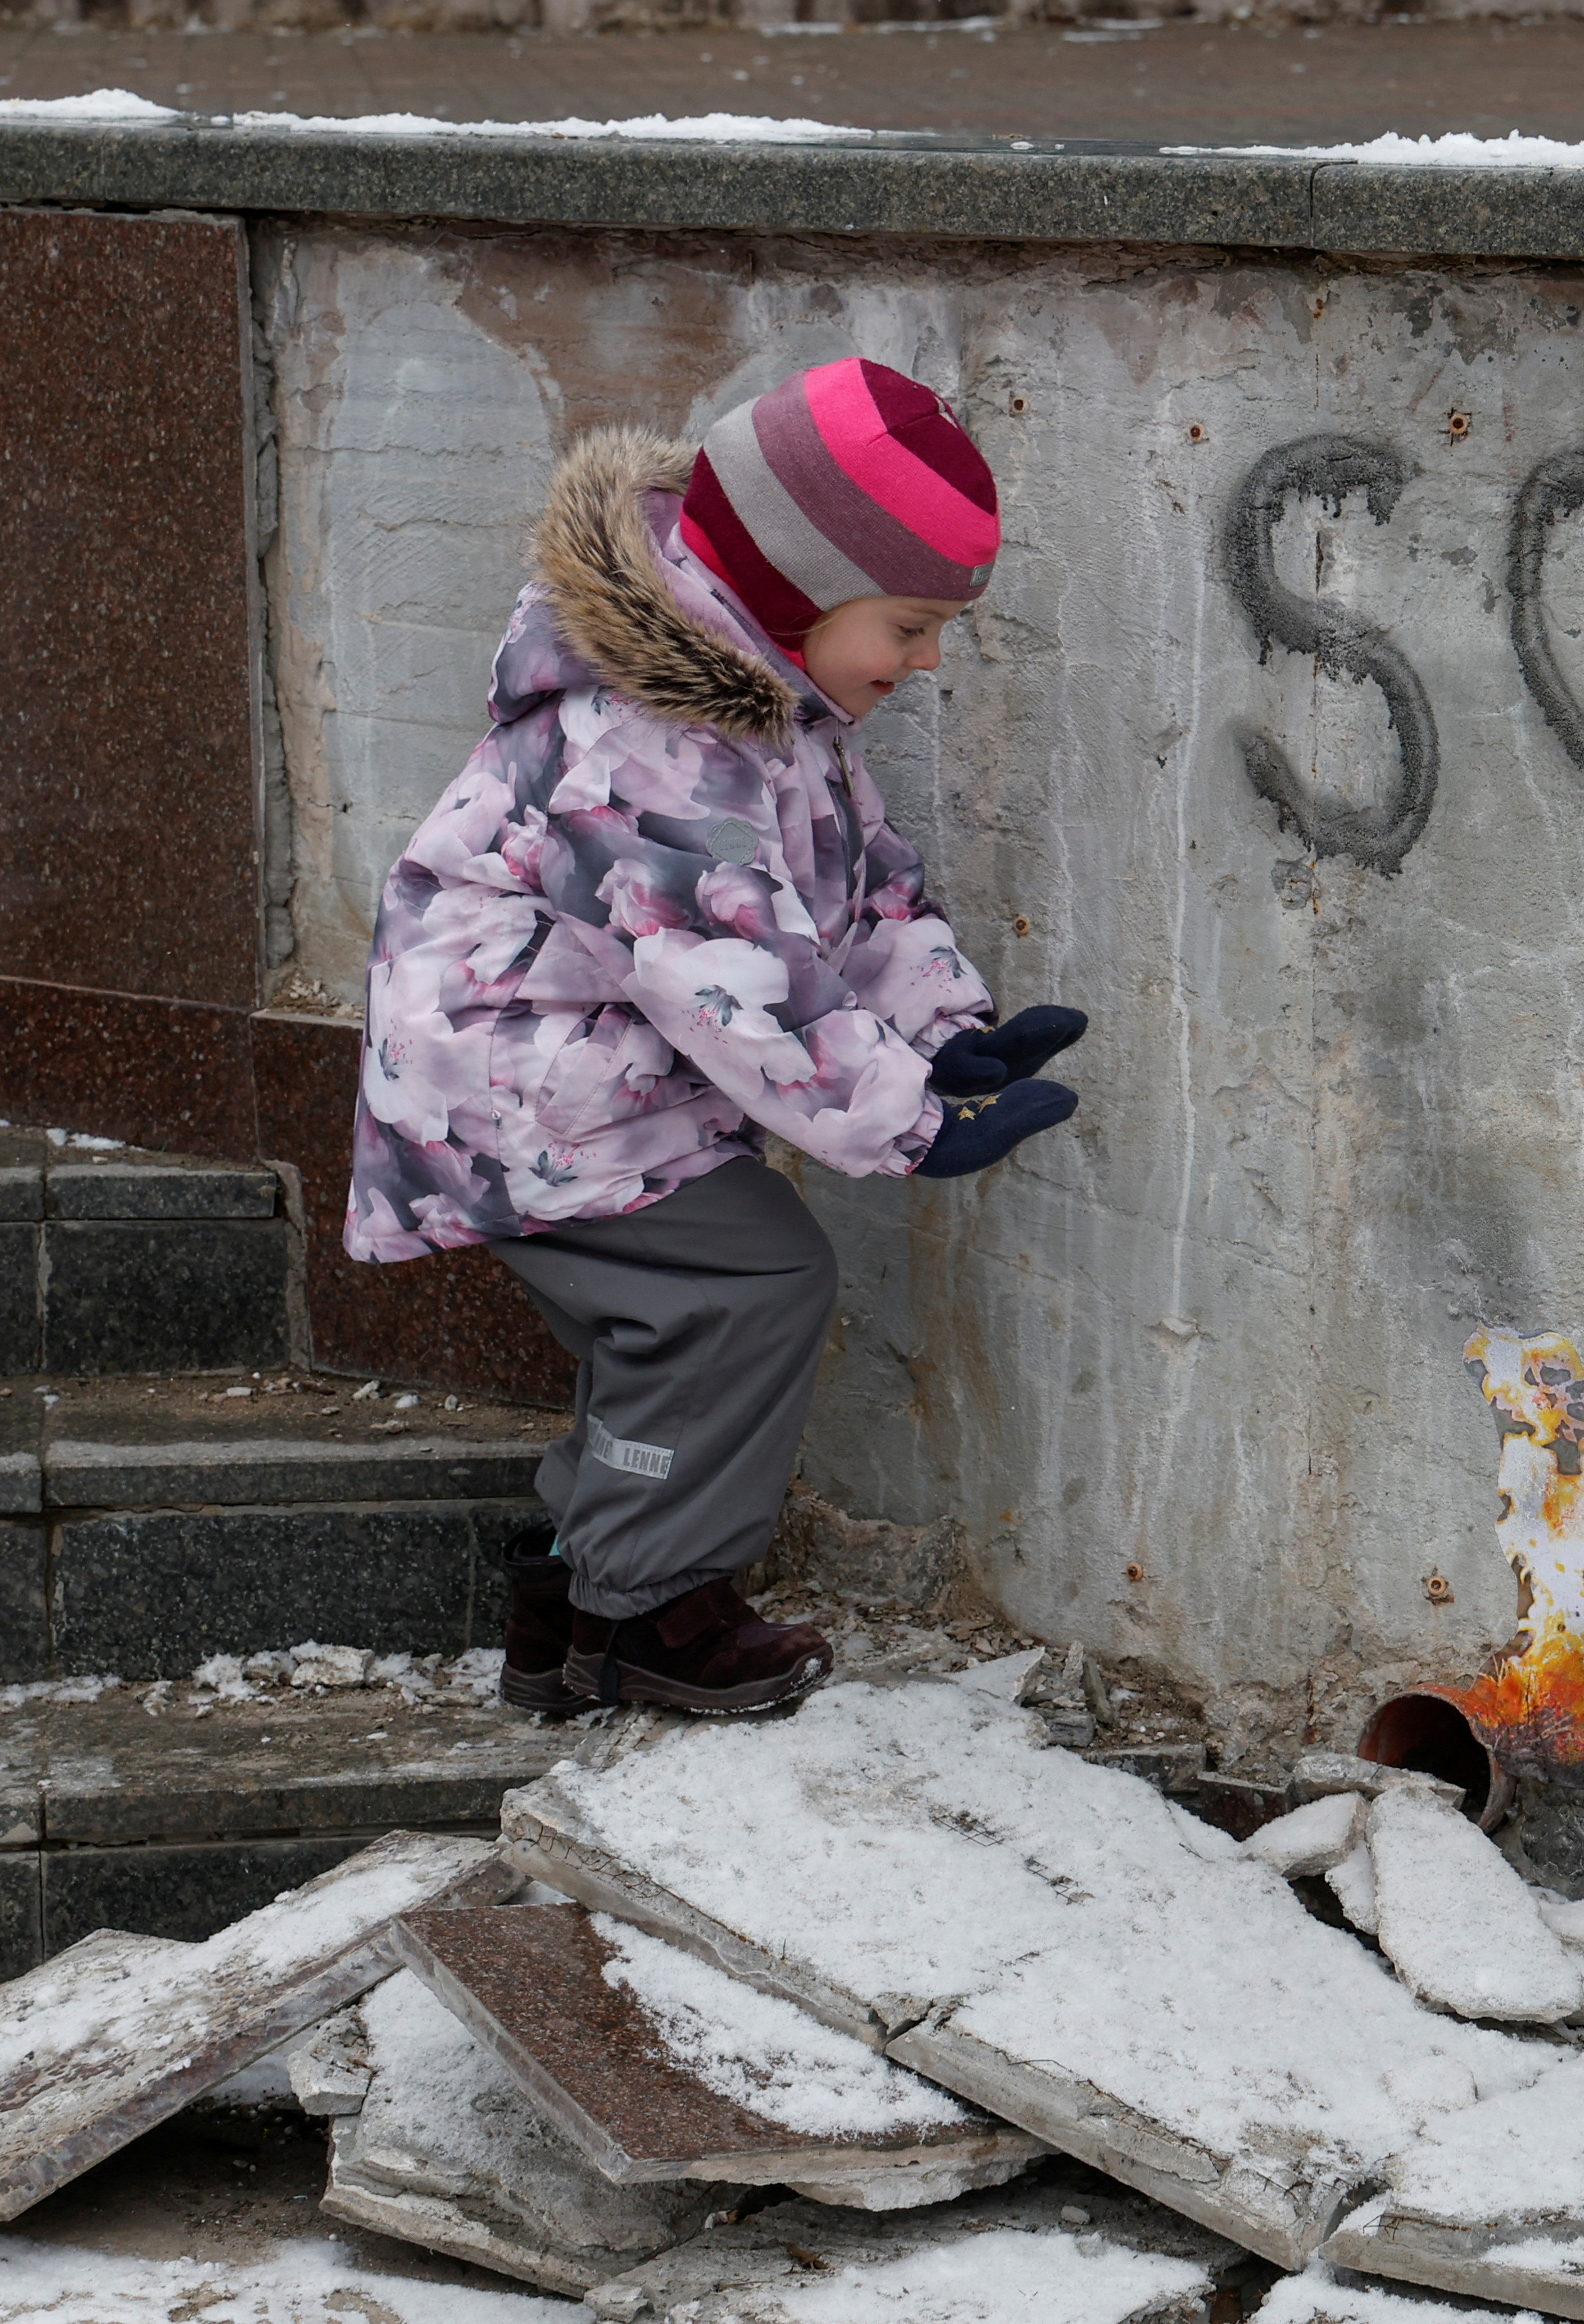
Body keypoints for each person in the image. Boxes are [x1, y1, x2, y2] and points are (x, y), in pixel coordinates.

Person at [343, 359, 1084, 1718]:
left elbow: (844, 894)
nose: (924, 664)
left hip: (570, 1072)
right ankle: (651, 1615)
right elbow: (731, 973)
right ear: (802, 591)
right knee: (743, 1286)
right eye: (910, 625)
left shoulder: (770, 708)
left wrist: (941, 1035)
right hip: (516, 1085)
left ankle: (571, 1595)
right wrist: (903, 1120)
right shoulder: (650, 741)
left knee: (681, 1316)